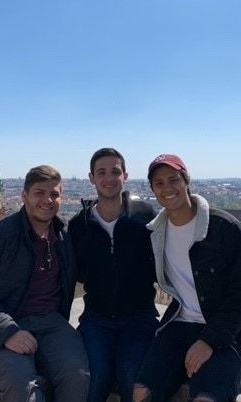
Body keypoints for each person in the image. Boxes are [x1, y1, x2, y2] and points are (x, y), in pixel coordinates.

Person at [133, 154, 241, 402]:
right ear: (152, 189)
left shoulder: (224, 227)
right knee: (142, 392)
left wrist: (209, 340)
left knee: (206, 397)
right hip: (180, 324)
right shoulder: (155, 233)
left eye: (173, 180)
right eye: (159, 183)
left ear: (187, 181)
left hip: (231, 331)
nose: (167, 188)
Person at [0, 165, 90, 402]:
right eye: (39, 193)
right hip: (1, 326)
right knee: (23, 390)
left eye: (54, 194)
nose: (48, 200)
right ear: (24, 196)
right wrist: (8, 332)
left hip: (51, 323)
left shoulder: (64, 235)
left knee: (78, 377)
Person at [68, 148, 158, 402]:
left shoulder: (145, 216)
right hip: (97, 318)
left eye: (115, 172)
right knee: (93, 381)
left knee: (133, 380)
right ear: (91, 177)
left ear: (125, 176)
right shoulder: (79, 225)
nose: (109, 178)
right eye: (102, 172)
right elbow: (75, 272)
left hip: (139, 317)